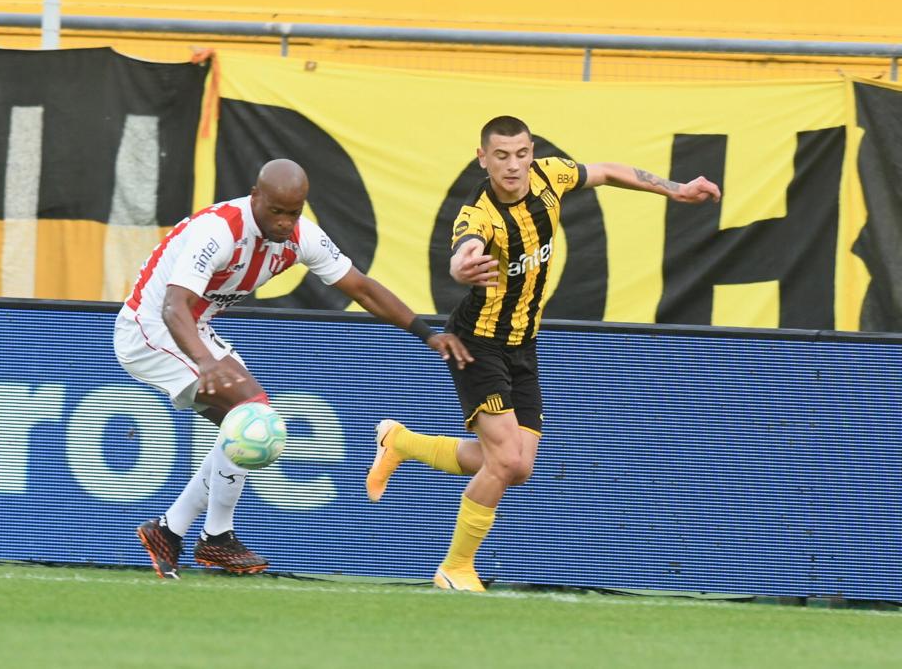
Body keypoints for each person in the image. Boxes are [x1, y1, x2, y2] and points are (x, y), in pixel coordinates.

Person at [366, 116, 722, 591]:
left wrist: (676, 189)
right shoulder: (479, 215)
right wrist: (462, 268)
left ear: (531, 152)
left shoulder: (551, 175)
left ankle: (401, 443)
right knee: (504, 461)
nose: (512, 166)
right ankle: (454, 568)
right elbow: (463, 251)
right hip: (476, 343)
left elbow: (607, 171)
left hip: (523, 343)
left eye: (520, 154)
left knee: (518, 466)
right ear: (483, 159)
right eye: (501, 156)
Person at [114, 158, 472, 579]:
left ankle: (168, 531)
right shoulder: (219, 231)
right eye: (276, 211)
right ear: (255, 197)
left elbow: (361, 287)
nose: (285, 222)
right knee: (253, 416)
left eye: (294, 212)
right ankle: (216, 537)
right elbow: (173, 307)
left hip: (194, 329)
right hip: (149, 329)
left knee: (246, 426)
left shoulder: (303, 237)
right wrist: (205, 361)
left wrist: (425, 333)